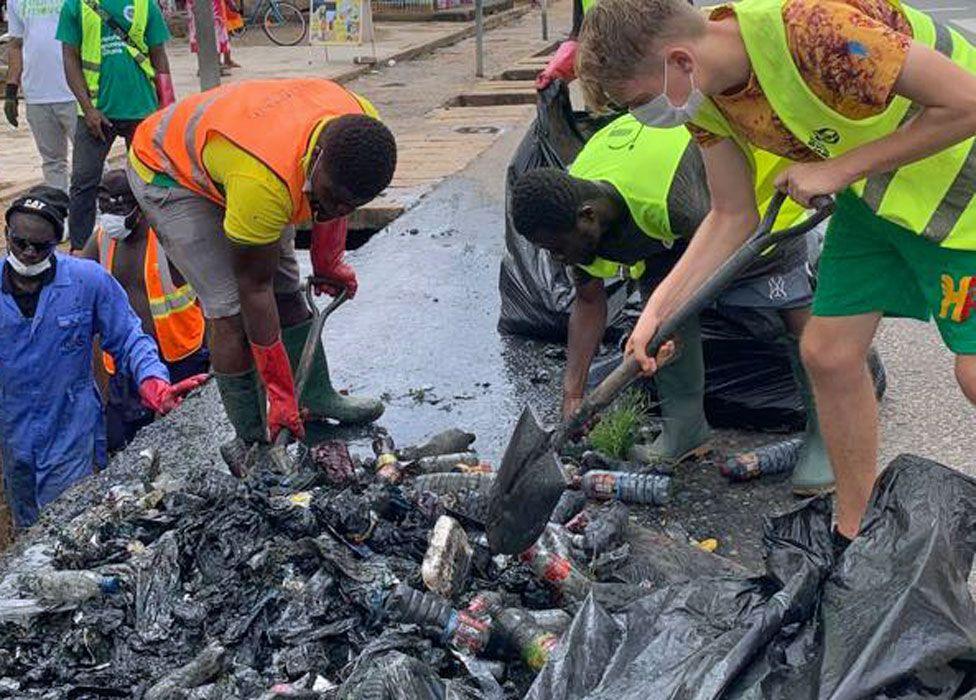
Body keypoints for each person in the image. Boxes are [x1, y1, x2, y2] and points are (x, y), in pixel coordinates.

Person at [574, 0, 976, 546]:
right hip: (881, 195)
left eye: (639, 100)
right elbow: (732, 213)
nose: (643, 115)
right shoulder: (705, 100)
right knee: (828, 353)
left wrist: (836, 170)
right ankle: (854, 533)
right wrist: (658, 311)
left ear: (679, 60)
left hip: (964, 186)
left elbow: (968, 102)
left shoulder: (813, 31)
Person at [512, 113, 833, 493]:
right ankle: (686, 429)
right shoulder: (569, 208)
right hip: (660, 227)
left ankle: (828, 436)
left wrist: (674, 310)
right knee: (660, 303)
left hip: (743, 207)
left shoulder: (674, 199)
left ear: (588, 218)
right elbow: (588, 300)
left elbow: (726, 231)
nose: (559, 260)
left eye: (559, 249)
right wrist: (574, 395)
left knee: (791, 305)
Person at [126, 78, 397, 473]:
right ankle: (251, 439)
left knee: (289, 289)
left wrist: (328, 261)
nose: (338, 208)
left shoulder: (360, 128)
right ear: (316, 157)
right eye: (331, 195)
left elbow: (337, 203)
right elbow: (255, 288)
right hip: (168, 172)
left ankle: (317, 395)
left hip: (247, 157)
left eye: (351, 204)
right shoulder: (264, 182)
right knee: (231, 309)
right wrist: (280, 393)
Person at [0, 186, 207, 528]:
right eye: (19, 243)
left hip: (70, 430)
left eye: (39, 247)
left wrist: (153, 382)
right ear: (8, 235)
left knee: (63, 525)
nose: (27, 254)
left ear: (56, 244)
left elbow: (128, 337)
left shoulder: (86, 281)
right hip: (13, 431)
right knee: (26, 527)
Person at [81, 169, 210, 452]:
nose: (112, 215)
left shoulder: (170, 241)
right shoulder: (99, 242)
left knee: (186, 439)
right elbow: (78, 304)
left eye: (120, 206)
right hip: (124, 363)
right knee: (123, 441)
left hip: (180, 356)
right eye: (105, 207)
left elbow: (213, 295)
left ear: (140, 206)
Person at [57, 0, 175, 252]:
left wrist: (167, 107)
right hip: (96, 113)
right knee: (83, 181)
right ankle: (80, 249)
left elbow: (159, 56)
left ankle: (156, 244)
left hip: (142, 110)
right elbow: (69, 57)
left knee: (151, 181)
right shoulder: (75, 6)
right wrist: (88, 108)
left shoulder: (145, 5)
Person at [4, 0, 77, 192]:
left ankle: (102, 213)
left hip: (76, 94)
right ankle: (58, 213)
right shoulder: (15, 1)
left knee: (89, 160)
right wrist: (11, 88)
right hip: (37, 94)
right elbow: (16, 45)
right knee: (52, 162)